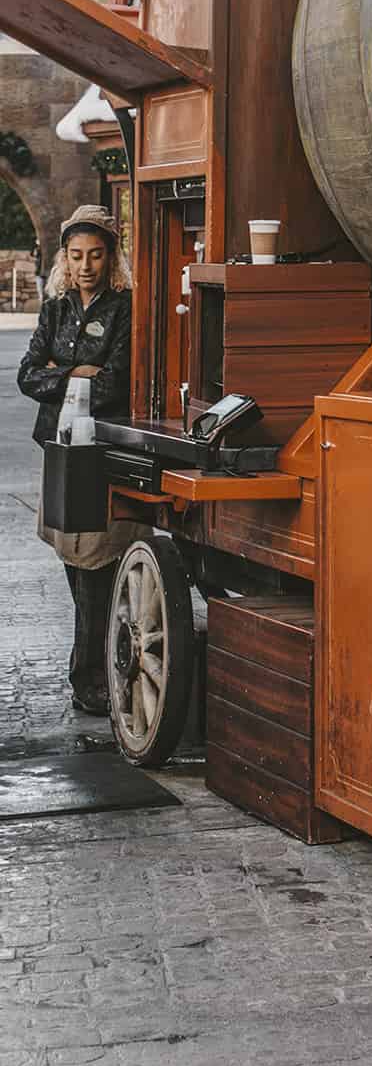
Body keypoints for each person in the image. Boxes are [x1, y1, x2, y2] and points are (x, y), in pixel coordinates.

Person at [17, 205, 134, 716]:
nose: (85, 265)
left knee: (98, 562)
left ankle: (92, 674)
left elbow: (115, 382)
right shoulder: (57, 309)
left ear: (110, 258)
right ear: (65, 258)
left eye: (96, 255)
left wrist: (58, 372)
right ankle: (89, 673)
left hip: (101, 449)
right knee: (74, 560)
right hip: (60, 450)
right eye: (76, 255)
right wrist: (73, 374)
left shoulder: (124, 309)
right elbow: (27, 374)